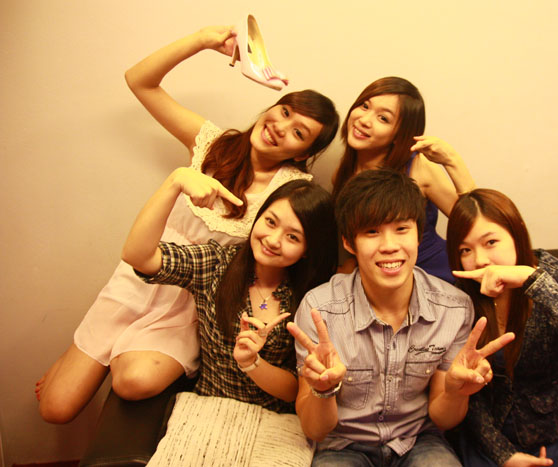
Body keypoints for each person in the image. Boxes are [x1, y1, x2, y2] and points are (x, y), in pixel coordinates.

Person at [36, 25, 339, 423]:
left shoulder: (292, 188)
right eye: (284, 111)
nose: (281, 127)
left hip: (192, 302)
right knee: (56, 409)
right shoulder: (213, 143)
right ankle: (84, 357)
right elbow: (140, 82)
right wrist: (203, 41)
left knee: (134, 380)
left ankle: (114, 356)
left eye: (299, 132)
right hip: (143, 273)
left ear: (304, 153)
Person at [287, 170, 514, 466]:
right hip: (343, 444)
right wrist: (323, 390)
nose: (389, 245)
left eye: (401, 229)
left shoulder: (454, 308)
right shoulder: (320, 309)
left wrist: (456, 392)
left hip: (419, 440)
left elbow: (443, 419)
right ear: (349, 243)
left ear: (419, 234)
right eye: (372, 232)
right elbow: (315, 430)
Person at [121, 177, 337, 410]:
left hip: (271, 418)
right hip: (206, 407)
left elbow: (294, 391)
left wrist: (252, 363)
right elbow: (138, 256)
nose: (273, 240)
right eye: (270, 222)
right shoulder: (215, 264)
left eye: (292, 237)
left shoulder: (312, 298)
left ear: (307, 250)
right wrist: (175, 182)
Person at [445, 188, 558, 466]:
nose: (480, 260)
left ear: (517, 233)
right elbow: (467, 392)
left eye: (491, 242)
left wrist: (534, 282)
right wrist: (503, 455)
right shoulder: (461, 294)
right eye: (465, 250)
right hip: (488, 439)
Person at [331, 77, 476, 283]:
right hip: (380, 278)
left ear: (400, 134)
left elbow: (476, 222)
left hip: (434, 273)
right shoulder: (343, 173)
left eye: (383, 118)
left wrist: (452, 161)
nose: (364, 120)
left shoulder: (418, 167)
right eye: (365, 106)